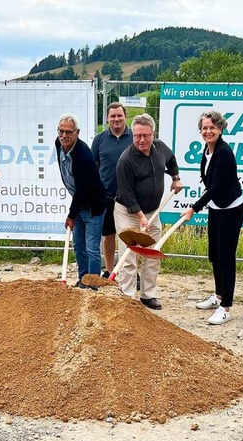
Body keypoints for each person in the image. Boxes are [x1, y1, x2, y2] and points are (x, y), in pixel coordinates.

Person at [114, 113, 183, 309]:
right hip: (128, 213)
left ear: (153, 134)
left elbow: (171, 160)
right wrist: (141, 217)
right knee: (129, 255)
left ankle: (148, 295)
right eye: (137, 136)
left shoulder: (160, 148)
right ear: (132, 135)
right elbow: (127, 195)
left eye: (145, 135)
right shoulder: (125, 160)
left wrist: (175, 177)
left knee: (152, 253)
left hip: (153, 212)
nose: (141, 140)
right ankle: (127, 297)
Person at [181, 111, 243, 325]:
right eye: (204, 128)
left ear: (220, 129)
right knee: (215, 255)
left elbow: (216, 187)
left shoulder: (224, 153)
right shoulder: (207, 150)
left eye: (212, 128)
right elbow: (209, 182)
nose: (208, 131)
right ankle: (218, 296)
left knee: (226, 258)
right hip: (216, 208)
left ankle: (226, 307)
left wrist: (193, 208)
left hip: (230, 210)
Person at [55, 113, 107, 288]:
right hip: (79, 203)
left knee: (92, 247)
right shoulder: (59, 144)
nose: (64, 136)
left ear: (77, 132)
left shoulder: (83, 156)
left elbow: (83, 191)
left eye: (68, 132)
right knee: (78, 245)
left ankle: (92, 285)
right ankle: (82, 279)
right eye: (61, 131)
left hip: (93, 206)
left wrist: (71, 215)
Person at [91, 102, 132, 277]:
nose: (116, 119)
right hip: (106, 196)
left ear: (125, 117)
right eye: (113, 116)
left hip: (129, 197)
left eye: (119, 115)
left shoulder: (134, 138)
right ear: (107, 118)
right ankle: (109, 271)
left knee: (129, 237)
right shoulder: (99, 139)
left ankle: (130, 271)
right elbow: (94, 166)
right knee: (108, 235)